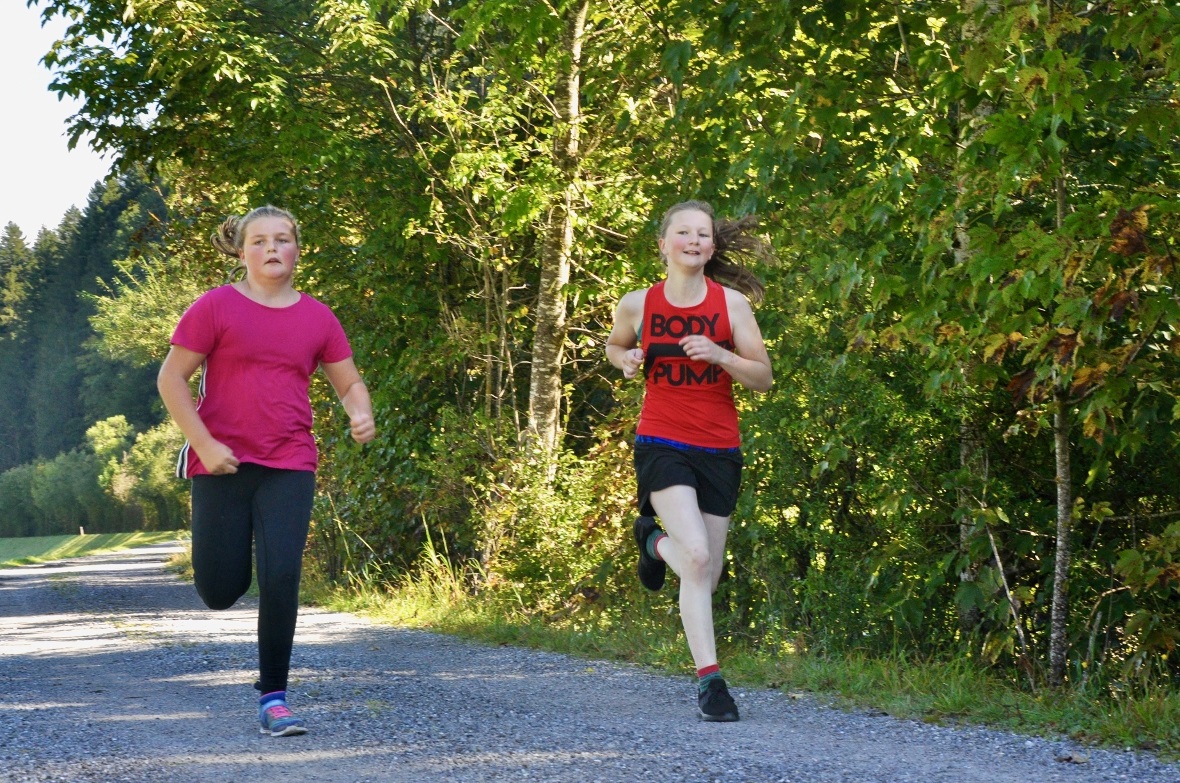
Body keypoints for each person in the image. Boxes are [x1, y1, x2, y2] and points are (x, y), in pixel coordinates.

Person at [157, 205, 376, 737]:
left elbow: (347, 381)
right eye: (259, 241)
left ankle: (274, 696)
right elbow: (172, 380)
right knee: (219, 589)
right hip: (221, 465)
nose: (272, 249)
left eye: (282, 240)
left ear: (298, 248)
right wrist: (204, 445)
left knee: (281, 574)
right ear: (240, 251)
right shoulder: (215, 307)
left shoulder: (318, 318)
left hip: (289, 461)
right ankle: (224, 577)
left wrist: (359, 411)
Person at [605, 199, 773, 722]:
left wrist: (722, 355)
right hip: (662, 440)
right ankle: (712, 684)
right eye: (683, 233)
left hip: (720, 447)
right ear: (664, 244)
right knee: (696, 557)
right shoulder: (639, 304)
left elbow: (763, 378)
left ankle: (652, 544)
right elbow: (614, 346)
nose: (694, 241)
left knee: (707, 572)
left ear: (712, 246)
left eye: (703, 234)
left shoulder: (732, 306)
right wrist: (628, 359)